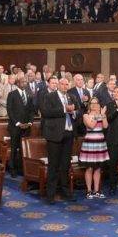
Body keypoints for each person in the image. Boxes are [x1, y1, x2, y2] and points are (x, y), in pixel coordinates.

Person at [39, 76, 76, 204]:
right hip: (54, 134)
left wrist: (74, 112)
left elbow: (79, 111)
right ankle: (50, 195)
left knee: (65, 165)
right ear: (58, 85)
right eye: (62, 84)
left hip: (69, 133)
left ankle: (65, 191)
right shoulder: (50, 96)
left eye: (67, 84)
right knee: (53, 165)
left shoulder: (71, 97)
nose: (65, 86)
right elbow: (45, 112)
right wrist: (65, 109)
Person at [78, 97, 109, 199]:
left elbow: (105, 126)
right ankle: (89, 190)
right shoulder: (86, 115)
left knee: (98, 168)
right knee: (89, 168)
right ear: (89, 105)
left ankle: (96, 190)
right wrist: (98, 115)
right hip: (90, 143)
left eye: (96, 103)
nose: (94, 105)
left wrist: (103, 115)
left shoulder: (101, 115)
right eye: (92, 103)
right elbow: (91, 126)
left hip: (100, 143)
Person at [6, 75, 34, 177]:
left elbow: (31, 110)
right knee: (14, 148)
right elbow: (10, 111)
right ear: (18, 83)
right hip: (15, 126)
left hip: (26, 127)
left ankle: (22, 168)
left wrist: (30, 122)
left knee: (23, 149)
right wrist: (18, 123)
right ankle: (12, 169)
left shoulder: (28, 94)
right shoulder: (12, 94)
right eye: (23, 82)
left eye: (26, 82)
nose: (25, 84)